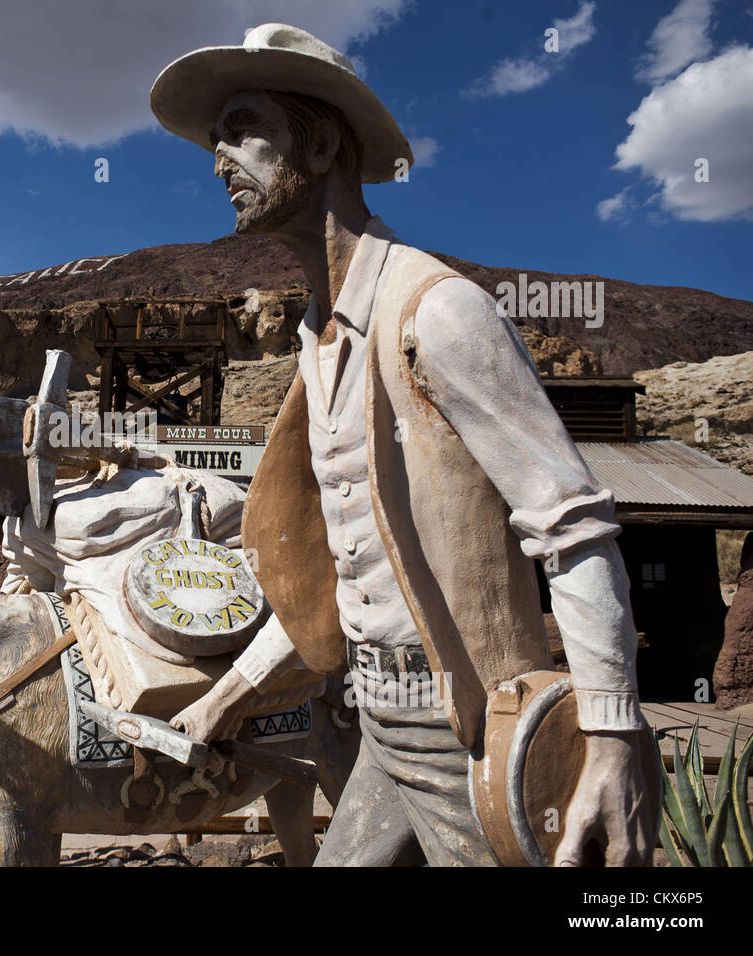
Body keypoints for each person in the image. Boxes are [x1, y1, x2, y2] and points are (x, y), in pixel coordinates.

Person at [149, 23, 652, 866]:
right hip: (370, 724)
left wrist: (610, 738)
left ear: (316, 142)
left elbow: (575, 527)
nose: (217, 161)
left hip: (471, 738)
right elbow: (341, 582)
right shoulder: (320, 342)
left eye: (241, 128)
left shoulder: (437, 312)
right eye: (214, 141)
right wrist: (227, 698)